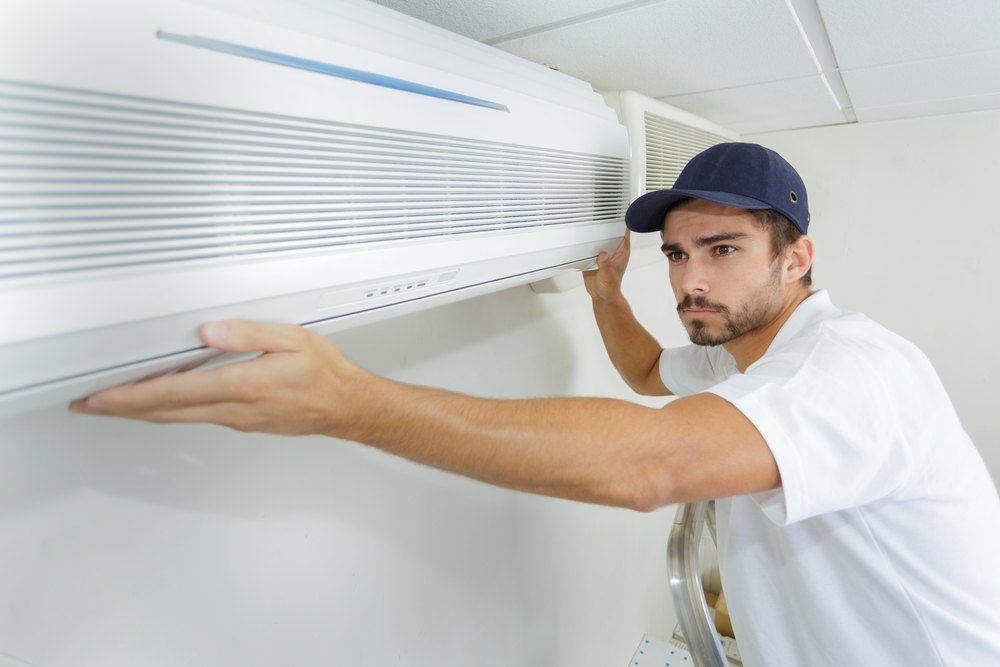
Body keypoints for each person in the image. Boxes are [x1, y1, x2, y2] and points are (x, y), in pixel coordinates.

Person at [68, 143, 1000, 665]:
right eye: (676, 255)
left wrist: (346, 400)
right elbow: (648, 376)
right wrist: (605, 293)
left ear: (796, 257)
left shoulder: (858, 371)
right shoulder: (740, 358)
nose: (689, 279)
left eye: (721, 250)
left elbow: (653, 462)